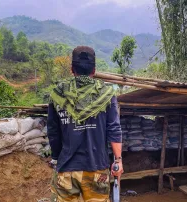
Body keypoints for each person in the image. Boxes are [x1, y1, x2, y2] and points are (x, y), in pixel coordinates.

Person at [47, 46, 123, 202]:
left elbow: (53, 132)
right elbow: (114, 129)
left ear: (72, 69)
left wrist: (56, 156)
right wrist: (118, 160)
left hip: (66, 169)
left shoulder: (58, 94)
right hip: (97, 168)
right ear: (94, 70)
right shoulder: (107, 94)